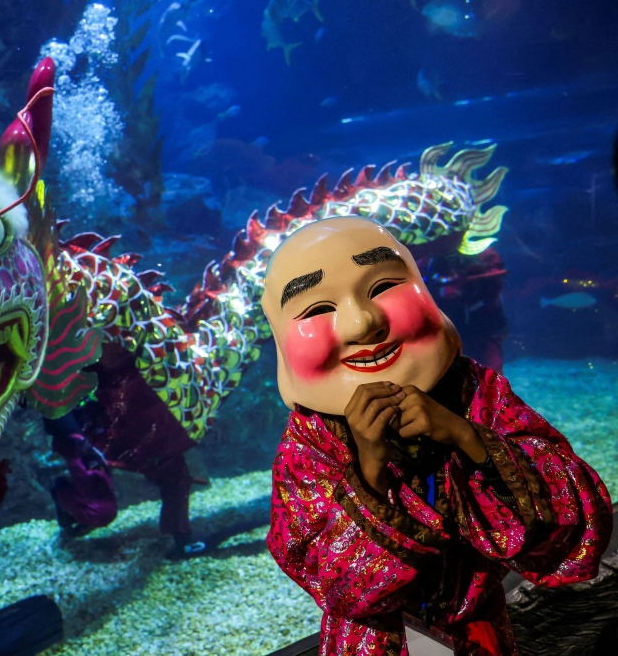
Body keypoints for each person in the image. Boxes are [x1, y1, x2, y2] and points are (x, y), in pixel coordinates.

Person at [259, 217, 613, 655]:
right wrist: (368, 468)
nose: (361, 322)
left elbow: (575, 517)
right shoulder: (310, 441)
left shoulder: (474, 393)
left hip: (477, 634)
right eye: (316, 309)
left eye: (381, 286)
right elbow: (328, 578)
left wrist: (467, 435)